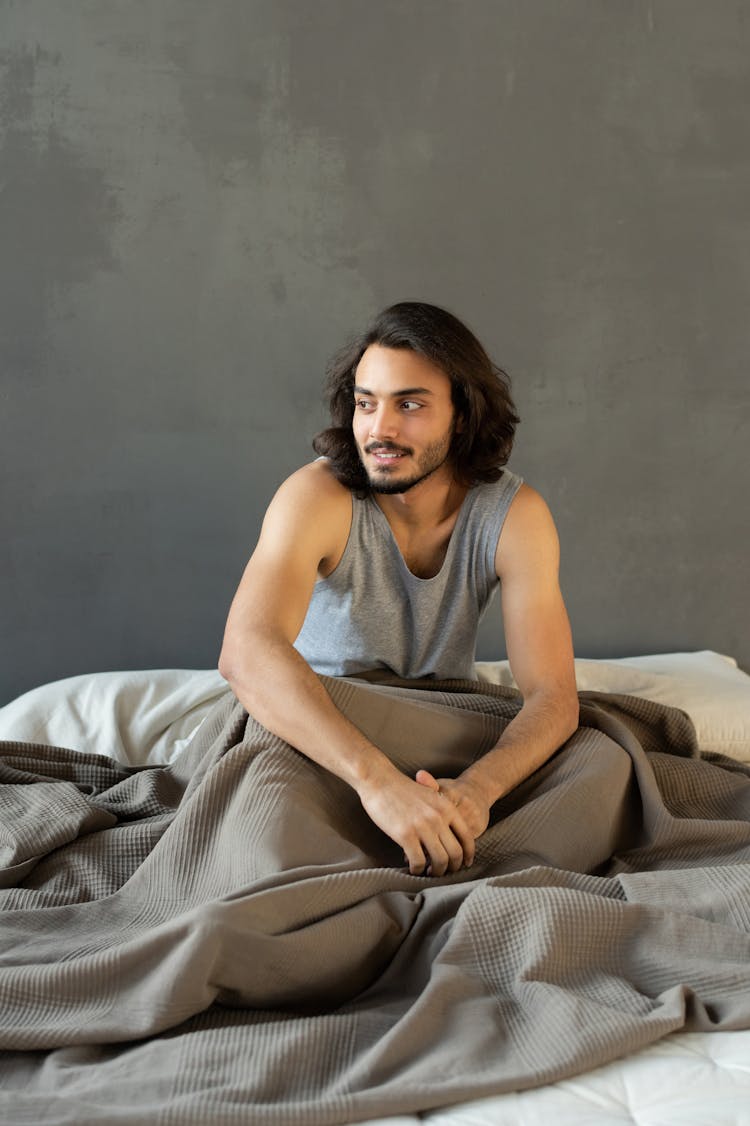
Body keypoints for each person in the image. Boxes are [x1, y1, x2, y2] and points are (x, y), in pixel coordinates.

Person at [219, 302, 579, 879]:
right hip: (327, 722)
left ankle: (446, 835)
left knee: (600, 758)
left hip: (441, 722)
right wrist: (378, 785)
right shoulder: (317, 496)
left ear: (462, 415)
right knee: (265, 807)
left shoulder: (516, 515)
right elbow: (246, 653)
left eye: (409, 405)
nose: (379, 429)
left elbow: (553, 697)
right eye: (367, 403)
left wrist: (477, 793)